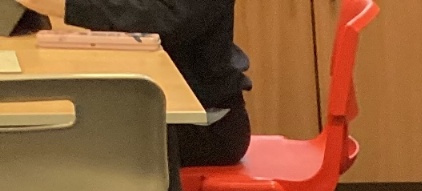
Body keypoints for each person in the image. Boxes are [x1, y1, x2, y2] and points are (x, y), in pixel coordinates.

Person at [16, 0, 251, 166]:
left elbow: (167, 20)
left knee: (46, 145)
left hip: (204, 122)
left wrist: (69, 5)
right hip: (139, 112)